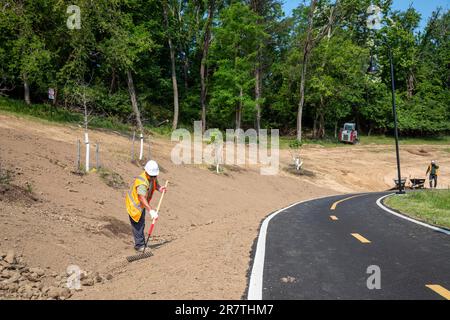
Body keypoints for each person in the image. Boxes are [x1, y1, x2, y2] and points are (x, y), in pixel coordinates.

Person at [125, 160, 167, 252]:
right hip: (135, 206)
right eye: (152, 176)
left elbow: (155, 183)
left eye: (155, 176)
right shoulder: (142, 183)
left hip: (142, 205)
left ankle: (142, 243)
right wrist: (151, 211)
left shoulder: (152, 176)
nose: (153, 178)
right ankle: (139, 245)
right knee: (138, 225)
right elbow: (141, 198)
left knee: (142, 223)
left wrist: (159, 188)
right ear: (147, 172)